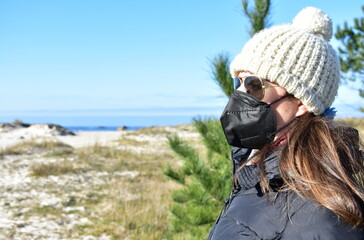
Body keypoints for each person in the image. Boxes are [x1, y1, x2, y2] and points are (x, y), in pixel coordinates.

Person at [207, 7, 364, 240]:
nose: (240, 94)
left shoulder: (318, 216)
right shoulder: (258, 170)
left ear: (300, 102)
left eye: (254, 84)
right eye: (239, 81)